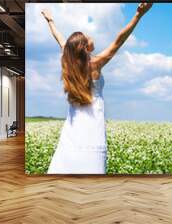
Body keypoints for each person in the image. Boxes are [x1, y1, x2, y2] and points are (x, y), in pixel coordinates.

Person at [43, 3, 153, 174]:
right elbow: (119, 40)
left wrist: (50, 20)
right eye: (88, 37)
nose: (91, 37)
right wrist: (138, 15)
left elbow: (60, 39)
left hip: (71, 136)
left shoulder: (68, 62)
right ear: (85, 48)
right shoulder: (94, 64)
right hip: (92, 135)